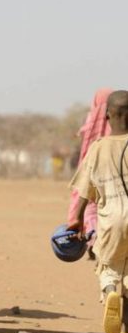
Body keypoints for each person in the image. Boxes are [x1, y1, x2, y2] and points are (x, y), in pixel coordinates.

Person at [68, 90, 128, 333]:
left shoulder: (97, 148)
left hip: (111, 219)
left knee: (109, 267)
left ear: (106, 116)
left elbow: (83, 191)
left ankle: (110, 292)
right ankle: (125, 331)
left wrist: (77, 220)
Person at [67, 89, 112, 261]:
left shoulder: (90, 120)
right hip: (114, 174)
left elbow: (84, 138)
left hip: (92, 170)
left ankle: (93, 240)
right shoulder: (119, 122)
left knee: (90, 208)